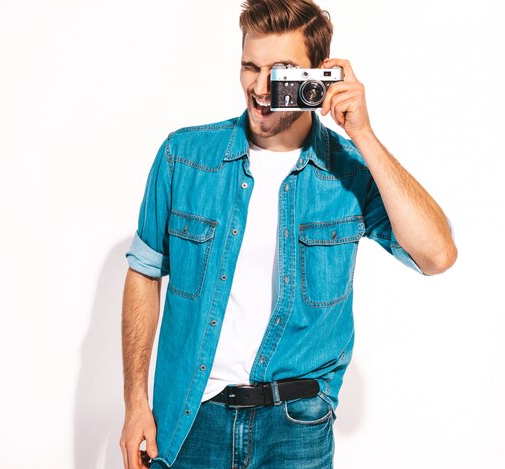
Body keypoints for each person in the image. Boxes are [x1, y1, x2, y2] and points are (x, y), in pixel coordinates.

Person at [119, 0, 457, 467]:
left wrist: (364, 135)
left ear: (319, 77)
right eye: (249, 67)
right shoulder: (184, 157)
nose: (260, 88)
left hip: (296, 430)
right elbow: (144, 271)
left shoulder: (349, 175)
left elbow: (437, 254)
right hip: (190, 421)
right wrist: (136, 402)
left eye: (281, 72)